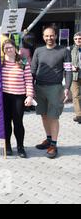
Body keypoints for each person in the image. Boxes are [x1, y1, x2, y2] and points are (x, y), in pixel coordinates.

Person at [31, 26, 72, 159]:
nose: (49, 38)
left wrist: (67, 88)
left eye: (51, 35)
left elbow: (68, 71)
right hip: (39, 88)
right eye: (46, 36)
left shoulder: (64, 51)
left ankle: (53, 145)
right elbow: (32, 70)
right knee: (43, 115)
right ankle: (48, 139)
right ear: (43, 37)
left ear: (55, 35)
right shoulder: (38, 51)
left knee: (53, 117)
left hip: (55, 88)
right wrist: (30, 88)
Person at [1, 39, 34, 158]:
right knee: (6, 123)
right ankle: (8, 145)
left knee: (18, 122)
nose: (9, 50)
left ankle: (20, 147)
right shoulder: (0, 63)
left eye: (10, 47)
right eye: (6, 48)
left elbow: (29, 81)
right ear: (3, 51)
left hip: (18, 97)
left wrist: (29, 96)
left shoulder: (23, 62)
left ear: (15, 48)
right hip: (4, 97)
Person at [70, 32, 81, 123]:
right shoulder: (70, 49)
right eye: (76, 39)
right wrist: (71, 67)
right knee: (76, 95)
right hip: (74, 76)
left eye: (79, 38)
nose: (78, 40)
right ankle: (79, 115)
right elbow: (65, 62)